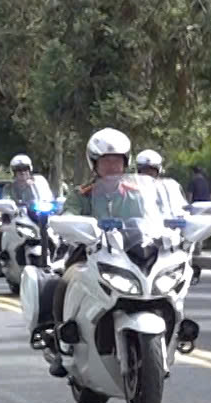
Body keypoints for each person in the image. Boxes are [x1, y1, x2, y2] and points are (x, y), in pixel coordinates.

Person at [39, 129, 138, 377]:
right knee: (65, 281)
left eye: (117, 161)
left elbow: (156, 216)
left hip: (132, 254)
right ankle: (61, 344)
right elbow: (68, 214)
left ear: (126, 162)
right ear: (95, 164)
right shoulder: (82, 194)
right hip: (90, 253)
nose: (112, 166)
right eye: (106, 161)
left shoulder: (136, 194)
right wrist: (72, 222)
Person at [136, 149, 186, 215]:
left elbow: (182, 209)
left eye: (152, 171)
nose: (148, 174)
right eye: (144, 171)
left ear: (158, 172)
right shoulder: (134, 190)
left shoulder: (170, 186)